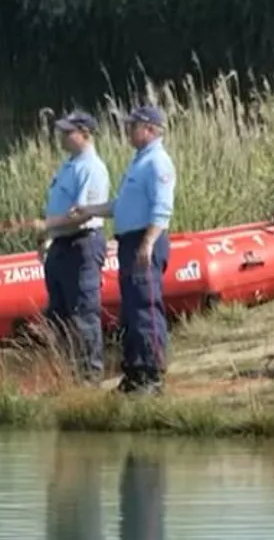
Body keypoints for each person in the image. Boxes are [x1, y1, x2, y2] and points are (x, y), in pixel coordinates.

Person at [70, 105, 175, 395]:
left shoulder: (158, 162)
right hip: (130, 242)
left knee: (146, 306)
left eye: (133, 126)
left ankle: (152, 375)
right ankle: (134, 373)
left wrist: (149, 242)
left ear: (150, 129)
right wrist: (88, 210)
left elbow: (163, 207)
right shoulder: (139, 161)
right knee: (131, 309)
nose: (128, 131)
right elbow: (120, 206)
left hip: (145, 241)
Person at [29, 110, 111, 382]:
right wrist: (47, 238)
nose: (62, 137)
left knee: (83, 313)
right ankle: (66, 375)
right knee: (58, 313)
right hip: (61, 245)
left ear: (85, 134)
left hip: (82, 245)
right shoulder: (69, 165)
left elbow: (82, 215)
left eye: (68, 132)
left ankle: (89, 377)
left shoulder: (92, 168)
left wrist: (48, 224)